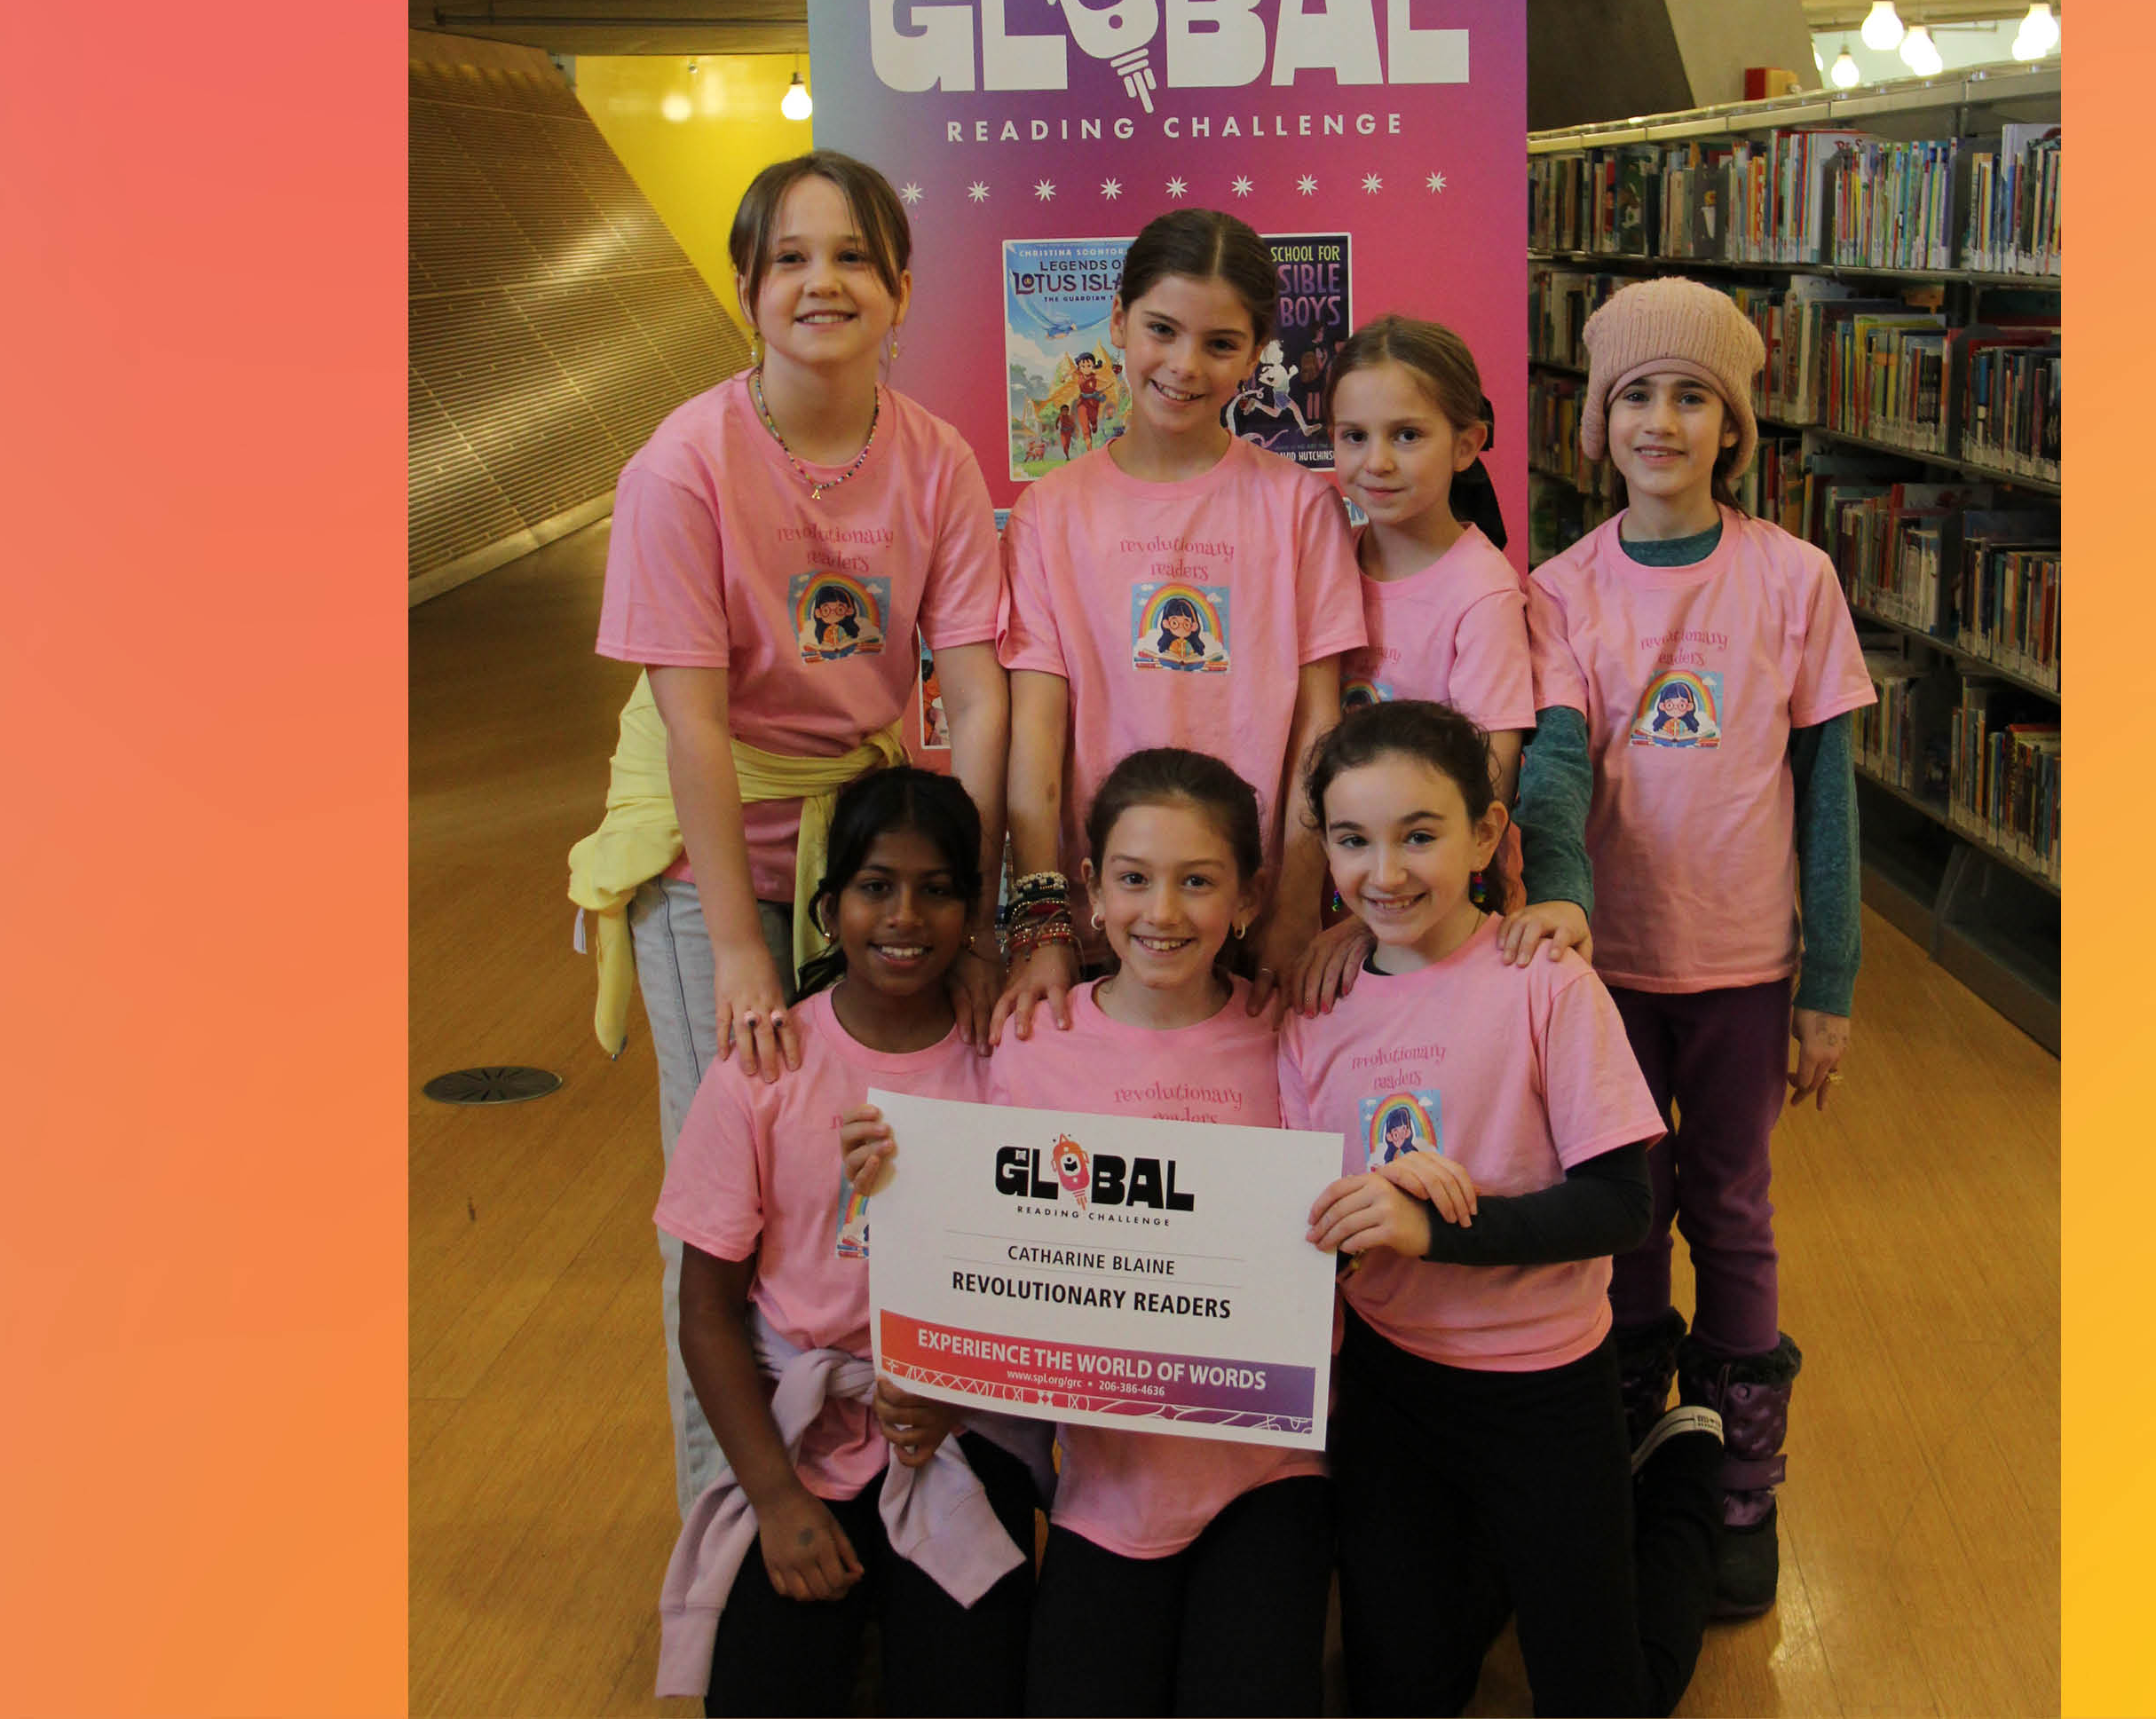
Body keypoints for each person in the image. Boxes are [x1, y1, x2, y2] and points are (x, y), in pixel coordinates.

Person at [580, 150, 1011, 1518]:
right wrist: (736, 945)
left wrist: (984, 910)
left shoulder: (935, 459)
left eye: (851, 258)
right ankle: (737, 1519)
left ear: (898, 289)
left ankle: (886, 1484)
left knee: (877, 1162)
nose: (820, 282)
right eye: (788, 259)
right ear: (748, 289)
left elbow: (981, 689)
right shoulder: (681, 465)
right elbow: (695, 725)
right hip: (708, 842)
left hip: (862, 844)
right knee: (730, 1190)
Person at [843, 750, 1380, 1716]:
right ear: (1091, 891)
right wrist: (894, 1179)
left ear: (1249, 896)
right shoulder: (1030, 1042)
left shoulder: (1294, 1037)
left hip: (1267, 1468)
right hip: (1100, 1486)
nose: (1162, 913)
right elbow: (979, 1252)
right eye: (1133, 879)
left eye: (1197, 881)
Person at [1516, 276, 1875, 1619]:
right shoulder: (1557, 589)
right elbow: (1552, 770)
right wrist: (1556, 902)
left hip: (1740, 967)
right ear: (1597, 421)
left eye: (1691, 399)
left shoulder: (1794, 578)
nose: (1660, 422)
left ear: (1731, 426)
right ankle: (1621, 1447)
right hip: (1603, 973)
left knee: (1729, 1210)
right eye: (1635, 398)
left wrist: (1826, 986)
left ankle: (1738, 1483)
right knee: (1623, 1213)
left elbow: (1826, 792)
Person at [1279, 701, 1694, 1717]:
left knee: (1604, 1701)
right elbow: (1303, 1225)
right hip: (1392, 1389)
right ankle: (1495, 1559)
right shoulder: (1314, 1010)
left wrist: (1434, 1229)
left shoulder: (1544, 982)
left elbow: (1618, 1208)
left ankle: (1682, 1472)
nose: (1384, 873)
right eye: (1351, 840)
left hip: (1546, 1387)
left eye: (1419, 835)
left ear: (1487, 835)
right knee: (1395, 1695)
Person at [652, 768, 1038, 1712]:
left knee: (969, 1686)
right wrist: (779, 1503)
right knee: (760, 1690)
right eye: (874, 887)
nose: (904, 916)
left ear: (969, 909)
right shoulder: (766, 1067)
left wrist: (959, 1392)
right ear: (828, 909)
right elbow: (705, 1310)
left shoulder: (1011, 1062)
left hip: (960, 1422)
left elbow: (1046, 1278)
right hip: (805, 1439)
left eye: (937, 889)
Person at [994, 210, 1364, 1031]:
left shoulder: (1299, 506)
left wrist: (1295, 902)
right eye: (1161, 329)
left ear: (1256, 351)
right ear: (1118, 322)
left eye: (1221, 343)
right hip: (1105, 915)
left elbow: (1318, 726)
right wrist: (1044, 917)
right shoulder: (1049, 515)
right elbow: (1037, 741)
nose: (1185, 365)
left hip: (1249, 911)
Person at [1321, 316, 1538, 801]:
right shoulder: (1326, 559)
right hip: (1343, 843)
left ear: (1465, 446)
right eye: (1355, 436)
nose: (1377, 462)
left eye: (1407, 436)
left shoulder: (1483, 592)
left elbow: (1493, 772)